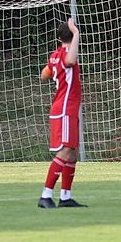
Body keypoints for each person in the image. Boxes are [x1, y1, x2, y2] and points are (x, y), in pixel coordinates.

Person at [37, 18, 87, 208]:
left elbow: (44, 75)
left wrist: (56, 72)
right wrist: (77, 33)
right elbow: (70, 60)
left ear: (59, 38)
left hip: (66, 107)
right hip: (65, 108)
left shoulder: (55, 55)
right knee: (65, 151)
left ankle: (65, 197)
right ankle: (46, 195)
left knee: (72, 153)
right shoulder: (66, 53)